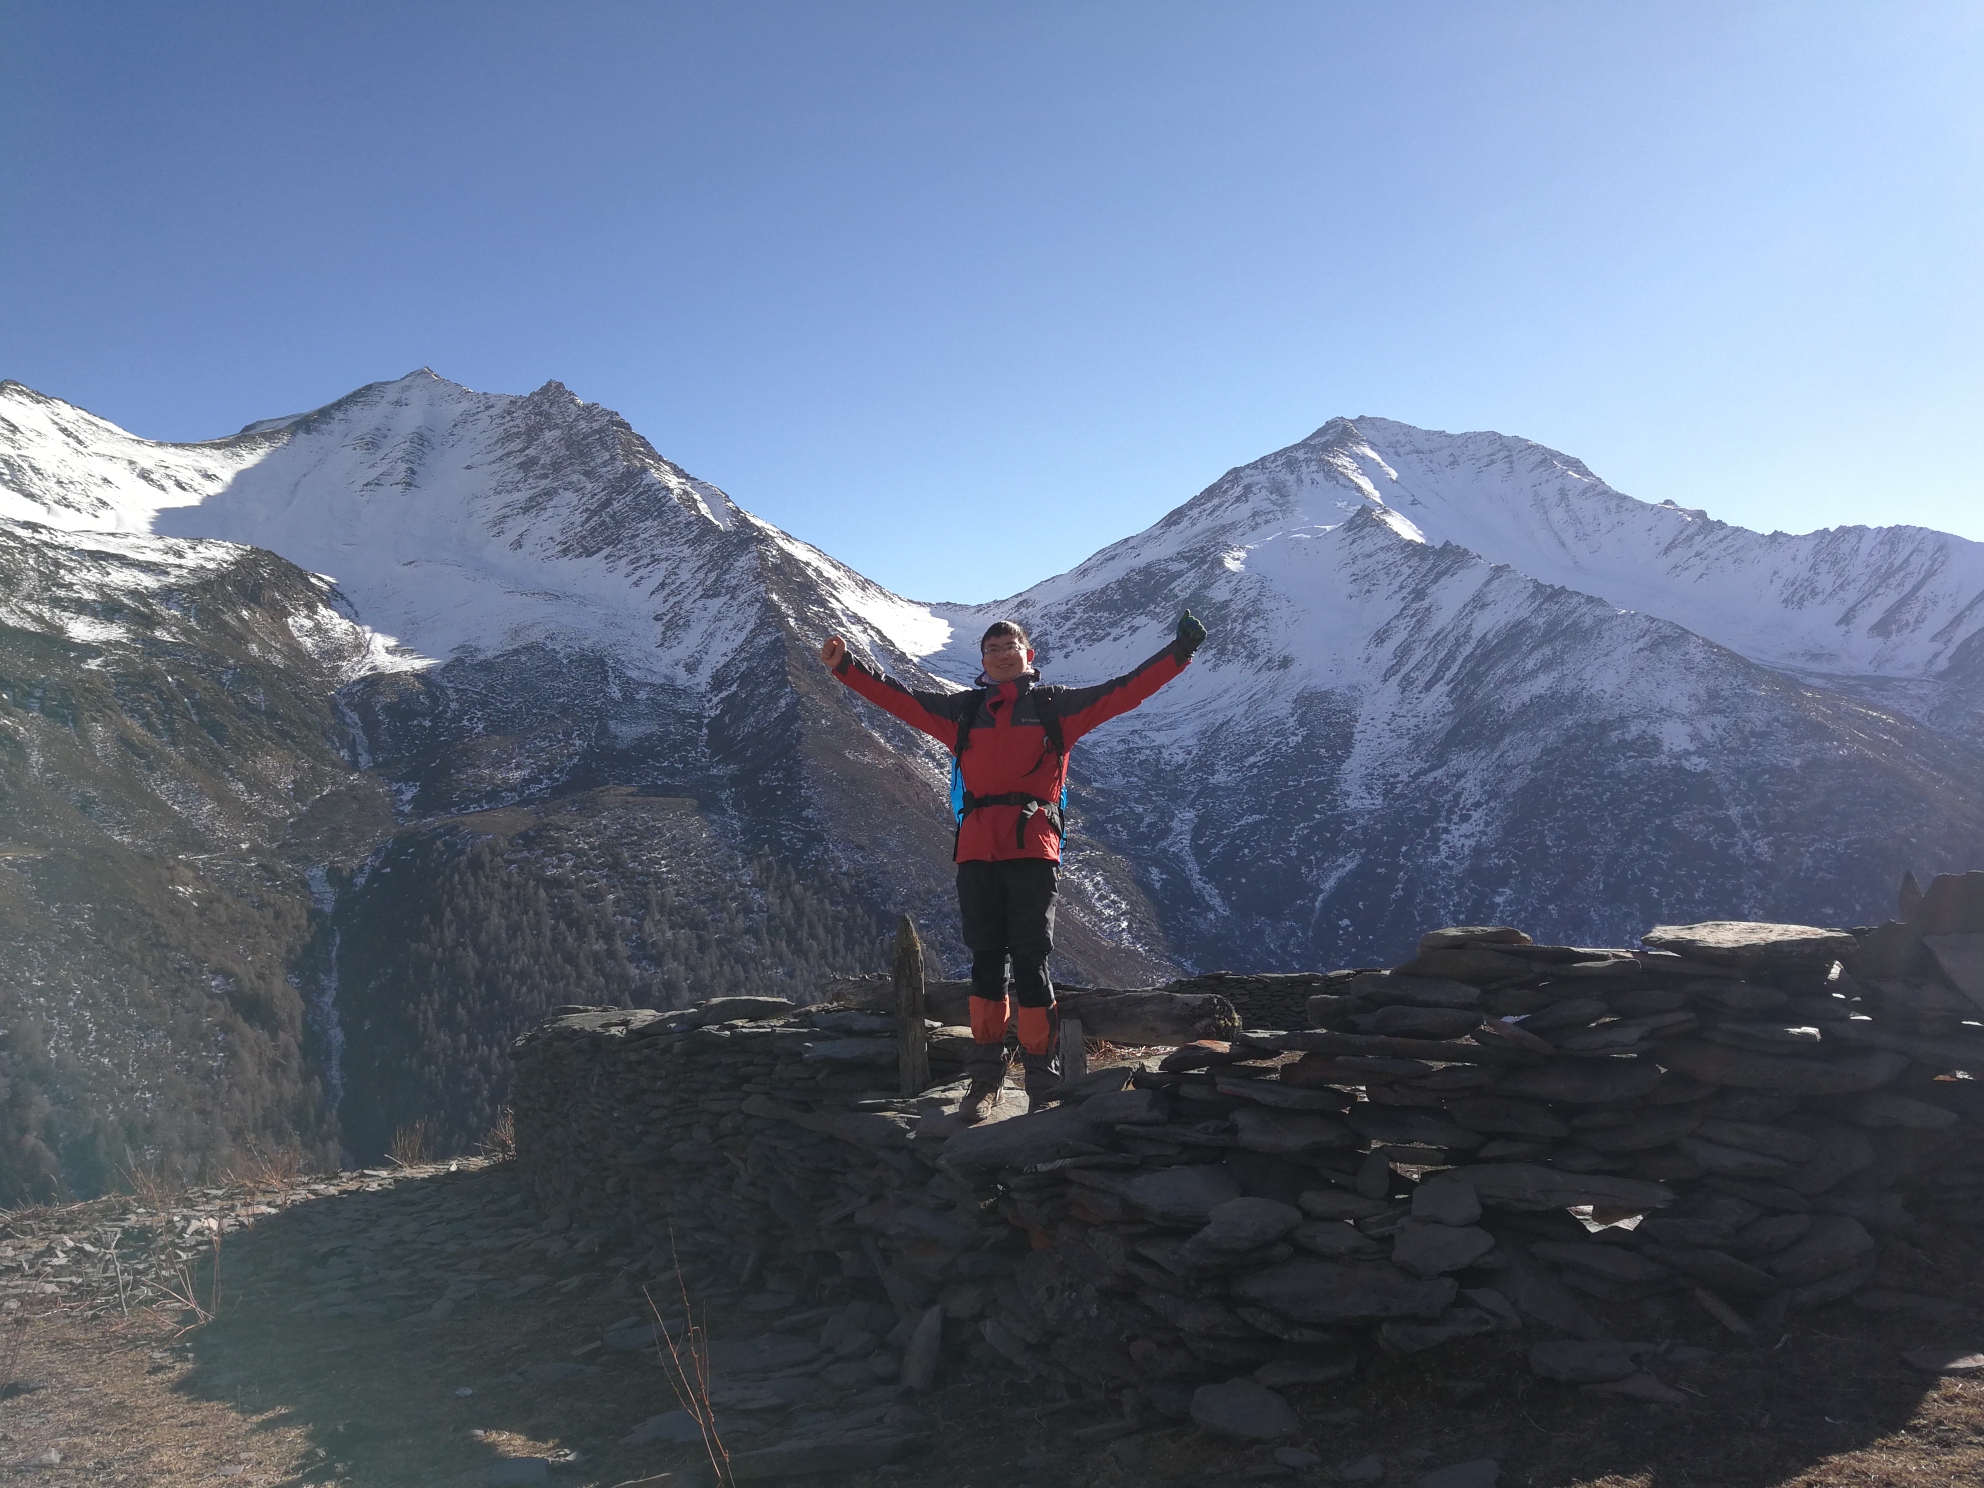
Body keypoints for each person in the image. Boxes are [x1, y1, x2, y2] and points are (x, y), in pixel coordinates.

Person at [819, 612, 1206, 1121]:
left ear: (1029, 655)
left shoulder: (1056, 707)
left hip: (1032, 849)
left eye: (1011, 644)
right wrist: (844, 666)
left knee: (1029, 960)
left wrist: (1179, 653)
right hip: (978, 851)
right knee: (985, 960)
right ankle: (986, 1073)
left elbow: (1125, 691)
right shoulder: (964, 711)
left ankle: (1039, 1075)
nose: (1002, 653)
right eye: (993, 647)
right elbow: (900, 700)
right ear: (983, 662)